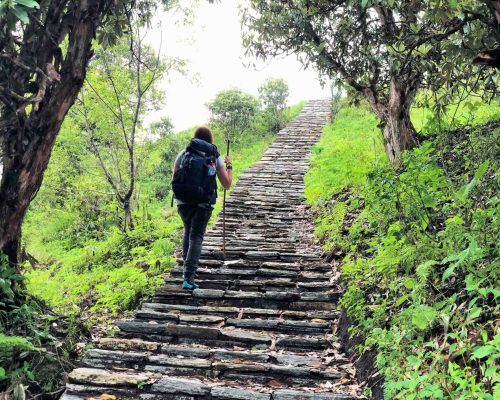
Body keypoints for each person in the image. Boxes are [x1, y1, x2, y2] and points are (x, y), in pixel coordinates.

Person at [172, 126, 232, 290]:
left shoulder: (184, 154)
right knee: (196, 236)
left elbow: (175, 178)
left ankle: (186, 273)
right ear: (210, 139)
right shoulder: (214, 156)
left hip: (183, 201)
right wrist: (229, 166)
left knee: (188, 231)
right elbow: (226, 184)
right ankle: (189, 278)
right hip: (203, 203)